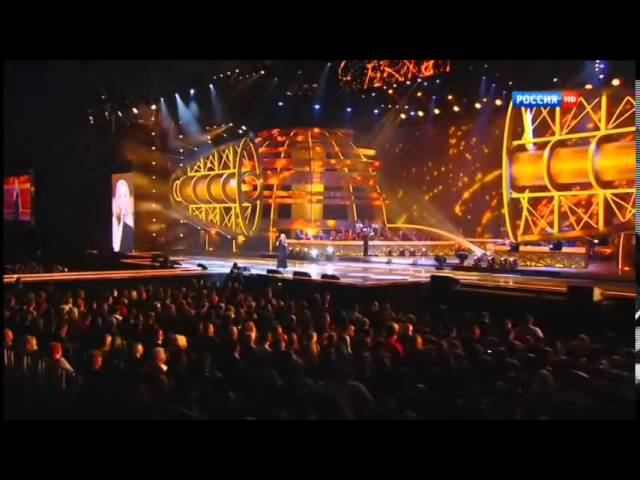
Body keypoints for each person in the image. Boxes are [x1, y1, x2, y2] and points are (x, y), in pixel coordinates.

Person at [112, 178, 134, 253]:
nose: (123, 199)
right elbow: (116, 248)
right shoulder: (115, 219)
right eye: (120, 196)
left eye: (125, 195)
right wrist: (122, 220)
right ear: (117, 199)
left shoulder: (133, 218)